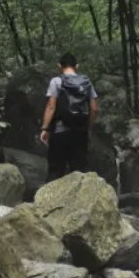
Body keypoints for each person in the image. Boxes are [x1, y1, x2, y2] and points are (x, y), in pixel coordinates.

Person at [40, 52, 98, 183]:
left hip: (60, 132)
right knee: (80, 173)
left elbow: (51, 106)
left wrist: (45, 128)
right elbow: (94, 109)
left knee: (55, 171)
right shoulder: (86, 82)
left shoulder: (56, 81)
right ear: (77, 66)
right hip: (80, 133)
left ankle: (50, 196)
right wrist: (87, 127)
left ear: (59, 66)